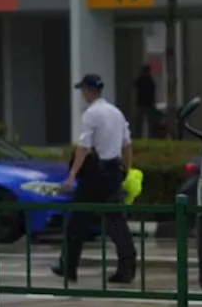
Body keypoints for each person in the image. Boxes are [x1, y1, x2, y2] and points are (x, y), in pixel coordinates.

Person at [53, 74, 137, 283]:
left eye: (83, 90)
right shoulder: (116, 113)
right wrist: (126, 171)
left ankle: (68, 266)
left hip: (95, 174)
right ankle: (127, 269)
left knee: (77, 220)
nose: (82, 94)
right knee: (117, 222)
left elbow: (84, 147)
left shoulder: (91, 114)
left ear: (90, 91)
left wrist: (72, 175)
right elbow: (127, 146)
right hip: (114, 171)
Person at [133, 65, 157, 138]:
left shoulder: (140, 79)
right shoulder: (150, 80)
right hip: (149, 104)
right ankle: (151, 136)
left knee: (139, 123)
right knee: (150, 123)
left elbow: (133, 84)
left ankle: (138, 136)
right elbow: (153, 93)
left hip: (141, 104)